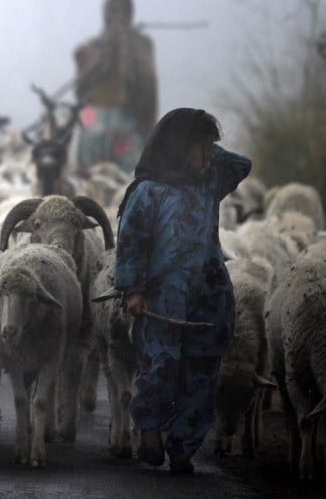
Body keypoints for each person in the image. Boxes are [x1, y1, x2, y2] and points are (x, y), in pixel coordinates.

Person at [112, 108, 251, 474]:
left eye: (209, 147)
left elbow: (242, 164)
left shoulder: (209, 184)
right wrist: (133, 289)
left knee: (202, 372)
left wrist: (208, 146)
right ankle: (150, 427)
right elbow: (131, 242)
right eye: (199, 146)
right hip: (163, 297)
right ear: (178, 146)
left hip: (209, 293)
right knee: (162, 364)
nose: (207, 155)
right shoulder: (149, 192)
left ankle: (184, 448)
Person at [73, 0, 158, 173]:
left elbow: (148, 90)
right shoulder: (93, 47)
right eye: (115, 11)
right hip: (94, 122)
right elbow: (81, 85)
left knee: (130, 178)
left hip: (129, 122)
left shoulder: (141, 45)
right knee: (88, 177)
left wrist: (149, 131)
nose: (119, 16)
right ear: (107, 14)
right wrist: (105, 50)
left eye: (124, 11)